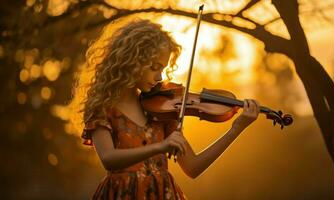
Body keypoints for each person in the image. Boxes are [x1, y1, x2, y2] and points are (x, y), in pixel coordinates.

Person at [79, 19, 260, 200]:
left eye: (163, 69)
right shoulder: (102, 106)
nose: (159, 77)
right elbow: (109, 159)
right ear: (131, 60)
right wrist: (160, 147)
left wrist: (235, 130)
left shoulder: (161, 108)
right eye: (154, 67)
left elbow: (193, 167)